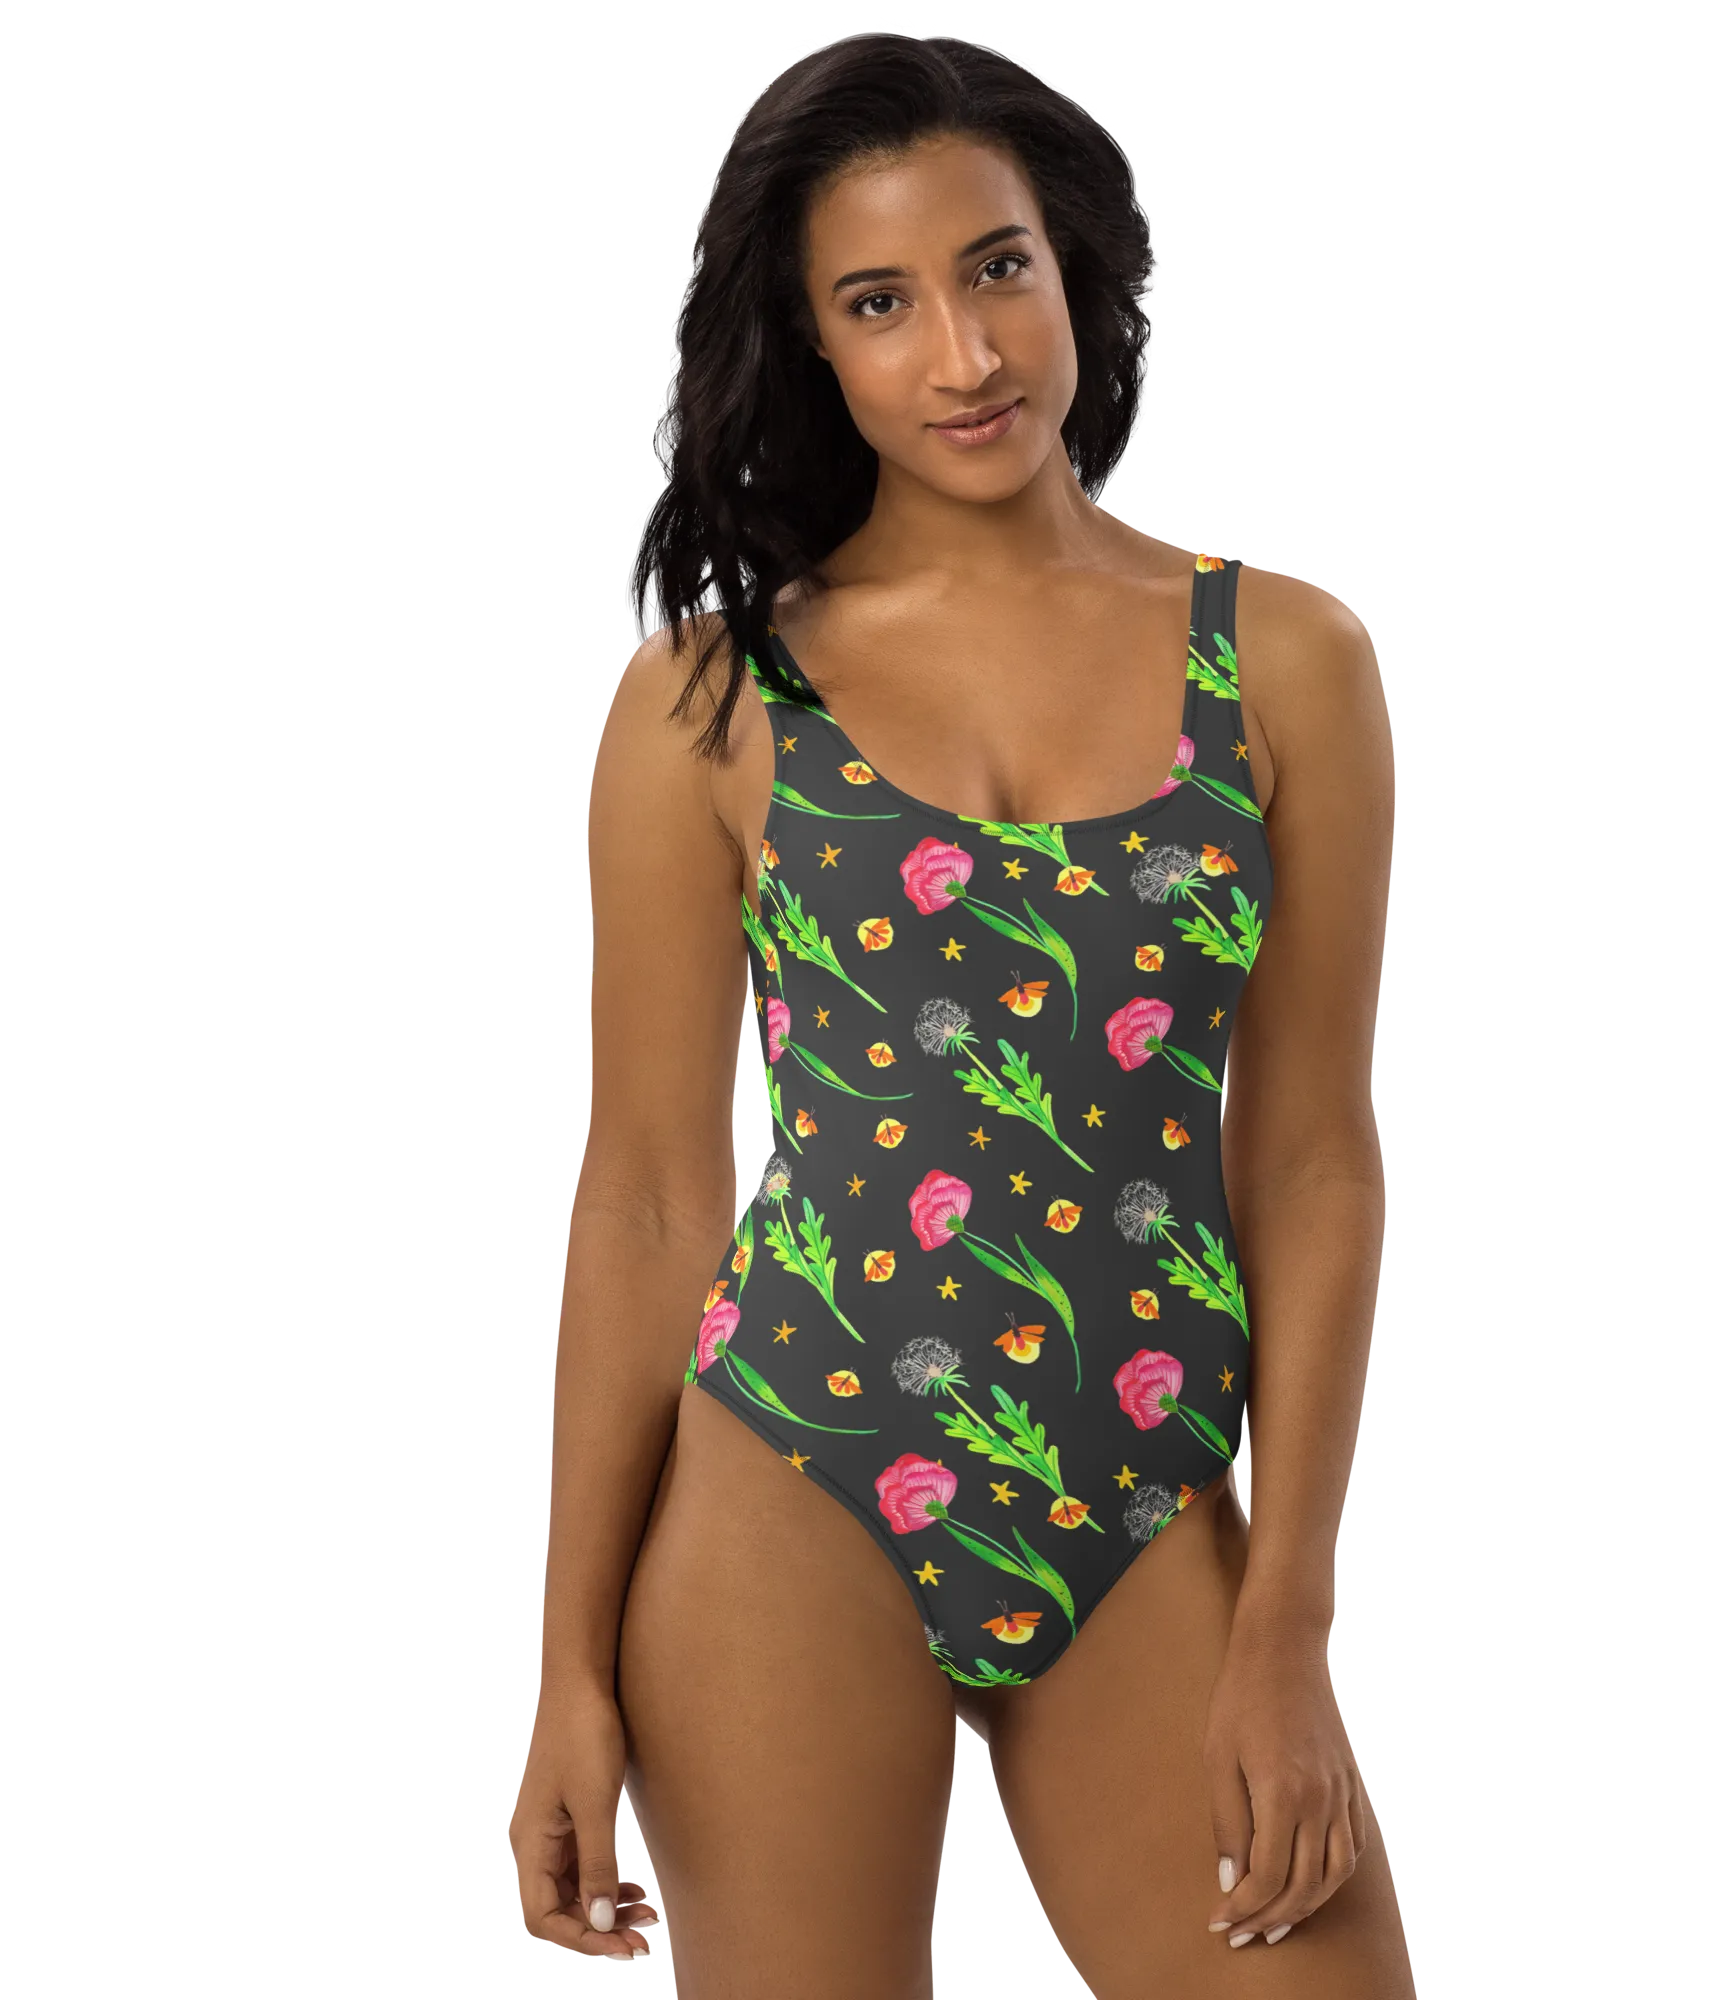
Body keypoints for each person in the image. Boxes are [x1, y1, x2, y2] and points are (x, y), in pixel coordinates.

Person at [508, 29, 1406, 1995]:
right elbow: (647, 1196)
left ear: (1072, 257)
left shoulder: (1283, 660)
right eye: (880, 301)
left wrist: (1284, 1623)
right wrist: (566, 1673)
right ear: (810, 344)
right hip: (788, 1476)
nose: (967, 352)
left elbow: (1311, 1161)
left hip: (1140, 1478)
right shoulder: (708, 697)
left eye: (997, 266)